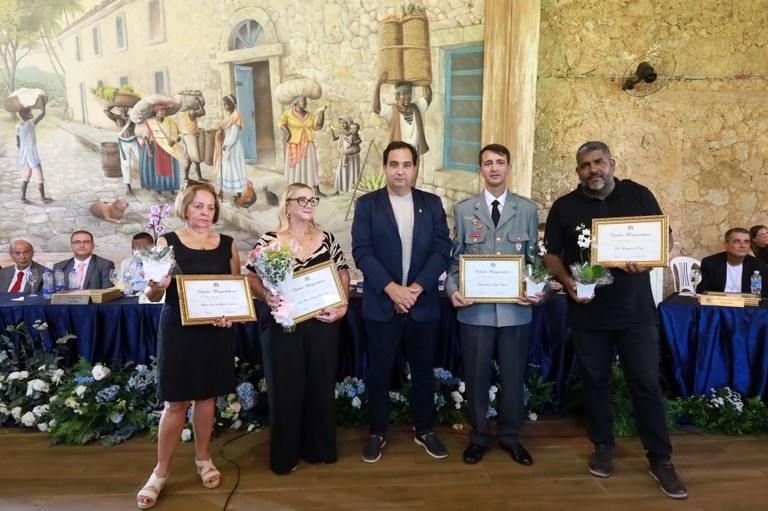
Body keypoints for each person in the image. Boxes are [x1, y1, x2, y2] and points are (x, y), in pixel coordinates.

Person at [542, 141, 687, 499]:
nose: (593, 169)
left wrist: (648, 260)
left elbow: (664, 238)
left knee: (647, 385)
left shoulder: (638, 194)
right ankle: (602, 445)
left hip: (635, 312)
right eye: (585, 165)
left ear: (612, 163)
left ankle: (660, 458)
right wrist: (567, 281)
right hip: (588, 312)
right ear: (578, 171)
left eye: (599, 162)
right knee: (595, 382)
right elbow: (551, 255)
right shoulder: (565, 206)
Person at [136, 181, 240, 509]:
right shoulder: (166, 242)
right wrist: (157, 285)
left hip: (215, 332)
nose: (205, 213)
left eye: (210, 207)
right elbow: (152, 294)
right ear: (185, 207)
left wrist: (230, 316)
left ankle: (203, 459)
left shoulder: (228, 244)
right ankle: (160, 472)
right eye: (198, 206)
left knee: (207, 398)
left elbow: (235, 290)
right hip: (178, 330)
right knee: (176, 403)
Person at [351, 141, 451, 463]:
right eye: (394, 164)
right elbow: (362, 251)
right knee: (379, 372)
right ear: (384, 168)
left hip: (422, 304)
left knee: (423, 371)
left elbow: (442, 249)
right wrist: (393, 290)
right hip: (382, 304)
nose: (400, 171)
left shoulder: (431, 204)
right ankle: (377, 432)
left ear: (415, 169)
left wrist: (415, 289)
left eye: (407, 164)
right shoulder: (368, 205)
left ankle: (424, 430)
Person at [445, 144, 543, 466]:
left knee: (513, 378)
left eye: (500, 162)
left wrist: (536, 289)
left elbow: (533, 261)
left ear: (509, 167)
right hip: (475, 310)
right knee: (476, 378)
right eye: (488, 163)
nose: (494, 168)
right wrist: (453, 290)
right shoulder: (464, 210)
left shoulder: (526, 210)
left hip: (515, 310)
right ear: (480, 170)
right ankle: (479, 438)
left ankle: (511, 437)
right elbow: (455, 260)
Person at [247, 182, 349, 474]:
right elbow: (251, 277)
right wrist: (266, 295)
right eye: (301, 199)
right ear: (287, 206)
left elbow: (342, 272)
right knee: (285, 389)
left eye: (312, 199)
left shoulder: (327, 238)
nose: (308, 204)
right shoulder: (270, 240)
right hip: (283, 324)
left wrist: (343, 306)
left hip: (322, 324)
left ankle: (320, 450)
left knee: (320, 386)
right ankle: (285, 456)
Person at [371, 71, 431, 157]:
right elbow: (375, 108)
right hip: (398, 155)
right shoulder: (391, 111)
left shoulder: (416, 108)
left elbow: (428, 95)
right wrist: (378, 85)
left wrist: (424, 78)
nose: (407, 96)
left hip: (413, 154)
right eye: (403, 94)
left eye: (409, 93)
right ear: (397, 96)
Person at [697, 227, 768, 296]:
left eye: (746, 242)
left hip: (746, 303)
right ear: (725, 245)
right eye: (737, 241)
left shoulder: (759, 266)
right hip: (717, 303)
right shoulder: (710, 263)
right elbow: (701, 292)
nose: (742, 245)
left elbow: (763, 296)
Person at [279, 95, 327, 197]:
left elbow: (318, 125)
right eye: (302, 101)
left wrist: (322, 112)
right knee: (296, 167)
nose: (305, 103)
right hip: (294, 144)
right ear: (296, 102)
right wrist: (289, 133)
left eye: (305, 101)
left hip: (308, 144)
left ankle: (316, 190)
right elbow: (281, 122)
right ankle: (294, 191)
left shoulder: (309, 115)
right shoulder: (288, 114)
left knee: (311, 166)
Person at [140, 105, 182, 199]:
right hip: (156, 148)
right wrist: (149, 151)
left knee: (170, 169)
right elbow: (145, 138)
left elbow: (178, 135)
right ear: (156, 112)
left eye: (164, 110)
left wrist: (175, 140)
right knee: (157, 170)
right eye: (161, 110)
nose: (163, 112)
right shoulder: (151, 124)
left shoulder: (170, 122)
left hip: (168, 149)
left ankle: (171, 191)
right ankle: (158, 191)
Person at [16, 99, 52, 204]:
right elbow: (43, 113)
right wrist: (42, 101)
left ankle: (22, 197)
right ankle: (43, 198)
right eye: (30, 112)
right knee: (39, 177)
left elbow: (18, 143)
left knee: (25, 177)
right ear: (26, 115)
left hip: (23, 157)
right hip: (32, 156)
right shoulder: (31, 124)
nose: (31, 114)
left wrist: (22, 151)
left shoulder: (17, 126)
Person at [213, 95, 247, 200]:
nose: (224, 106)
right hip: (226, 145)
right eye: (223, 104)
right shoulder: (229, 115)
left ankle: (239, 192)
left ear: (232, 104)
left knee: (234, 169)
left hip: (233, 147)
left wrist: (226, 145)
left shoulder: (236, 116)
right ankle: (221, 190)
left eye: (226, 104)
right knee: (224, 169)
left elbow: (233, 136)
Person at [104, 104, 138, 195]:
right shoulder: (116, 117)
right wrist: (113, 104)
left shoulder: (132, 117)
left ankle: (148, 182)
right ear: (118, 108)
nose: (123, 109)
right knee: (126, 164)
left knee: (143, 160)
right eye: (121, 107)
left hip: (133, 141)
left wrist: (134, 106)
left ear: (128, 108)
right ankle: (128, 186)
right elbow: (106, 111)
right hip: (123, 143)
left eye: (125, 106)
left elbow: (142, 114)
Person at [331, 116, 362, 194]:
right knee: (340, 171)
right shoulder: (342, 132)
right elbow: (334, 138)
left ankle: (352, 190)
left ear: (349, 124)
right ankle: (338, 190)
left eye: (344, 123)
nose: (342, 125)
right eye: (341, 123)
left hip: (351, 156)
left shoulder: (352, 133)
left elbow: (357, 141)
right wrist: (332, 130)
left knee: (351, 172)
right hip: (344, 155)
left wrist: (353, 142)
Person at [180, 94, 207, 182]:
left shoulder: (183, 112)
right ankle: (199, 177)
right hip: (191, 136)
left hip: (186, 136)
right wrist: (199, 103)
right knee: (195, 159)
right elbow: (202, 112)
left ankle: (186, 177)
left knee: (189, 159)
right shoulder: (191, 112)